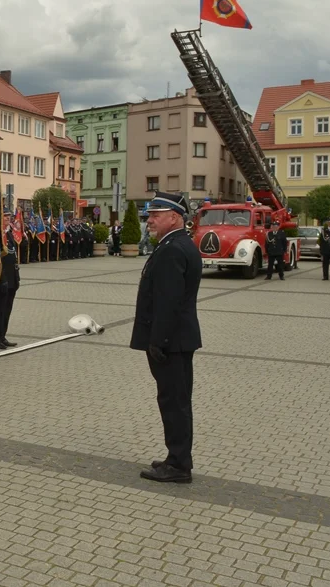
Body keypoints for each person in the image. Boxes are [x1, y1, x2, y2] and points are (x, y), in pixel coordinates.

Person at [132, 191, 202, 484]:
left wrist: (157, 341)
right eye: (150, 215)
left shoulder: (173, 248)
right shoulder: (175, 243)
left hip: (171, 343)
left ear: (174, 217)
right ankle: (177, 458)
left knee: (174, 403)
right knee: (176, 401)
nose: (150, 220)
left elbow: (168, 301)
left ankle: (178, 465)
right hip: (176, 340)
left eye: (155, 215)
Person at [0, 211, 20, 350]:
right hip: (1, 277)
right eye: (5, 217)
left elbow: (13, 257)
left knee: (7, 309)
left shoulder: (9, 233)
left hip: (12, 277)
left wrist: (16, 278)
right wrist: (2, 279)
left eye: (9, 217)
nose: (8, 219)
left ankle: (3, 336)